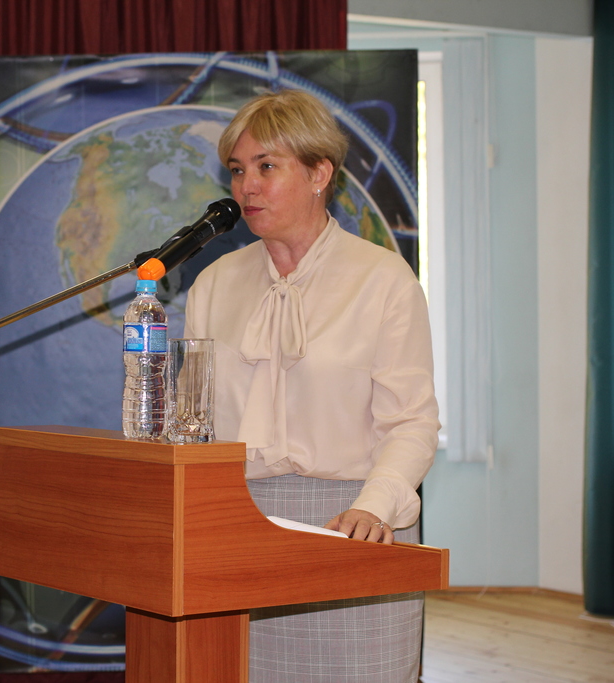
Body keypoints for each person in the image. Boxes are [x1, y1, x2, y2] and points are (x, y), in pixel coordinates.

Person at [183, 89, 440, 682]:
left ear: (320, 173)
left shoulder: (382, 279)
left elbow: (412, 421)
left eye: (266, 167)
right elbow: (195, 426)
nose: (247, 187)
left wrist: (373, 507)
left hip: (354, 524)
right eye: (238, 170)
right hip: (240, 529)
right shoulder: (213, 285)